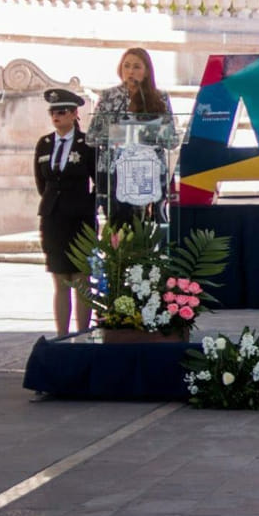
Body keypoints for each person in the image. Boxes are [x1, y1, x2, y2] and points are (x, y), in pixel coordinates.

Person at [88, 46, 177, 225]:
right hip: (115, 173)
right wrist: (118, 133)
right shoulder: (108, 96)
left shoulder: (159, 98)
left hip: (148, 172)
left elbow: (172, 140)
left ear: (147, 71)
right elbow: (92, 137)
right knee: (119, 229)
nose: (130, 71)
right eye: (126, 66)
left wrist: (149, 133)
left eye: (137, 67)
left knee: (146, 229)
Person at [34, 88, 97, 336]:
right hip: (53, 218)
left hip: (80, 219)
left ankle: (82, 333)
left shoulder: (86, 144)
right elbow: (42, 182)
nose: (56, 116)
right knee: (60, 279)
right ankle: (62, 335)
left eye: (61, 112)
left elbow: (99, 182)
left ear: (73, 114)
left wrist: (88, 205)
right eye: (52, 112)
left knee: (81, 278)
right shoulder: (45, 144)